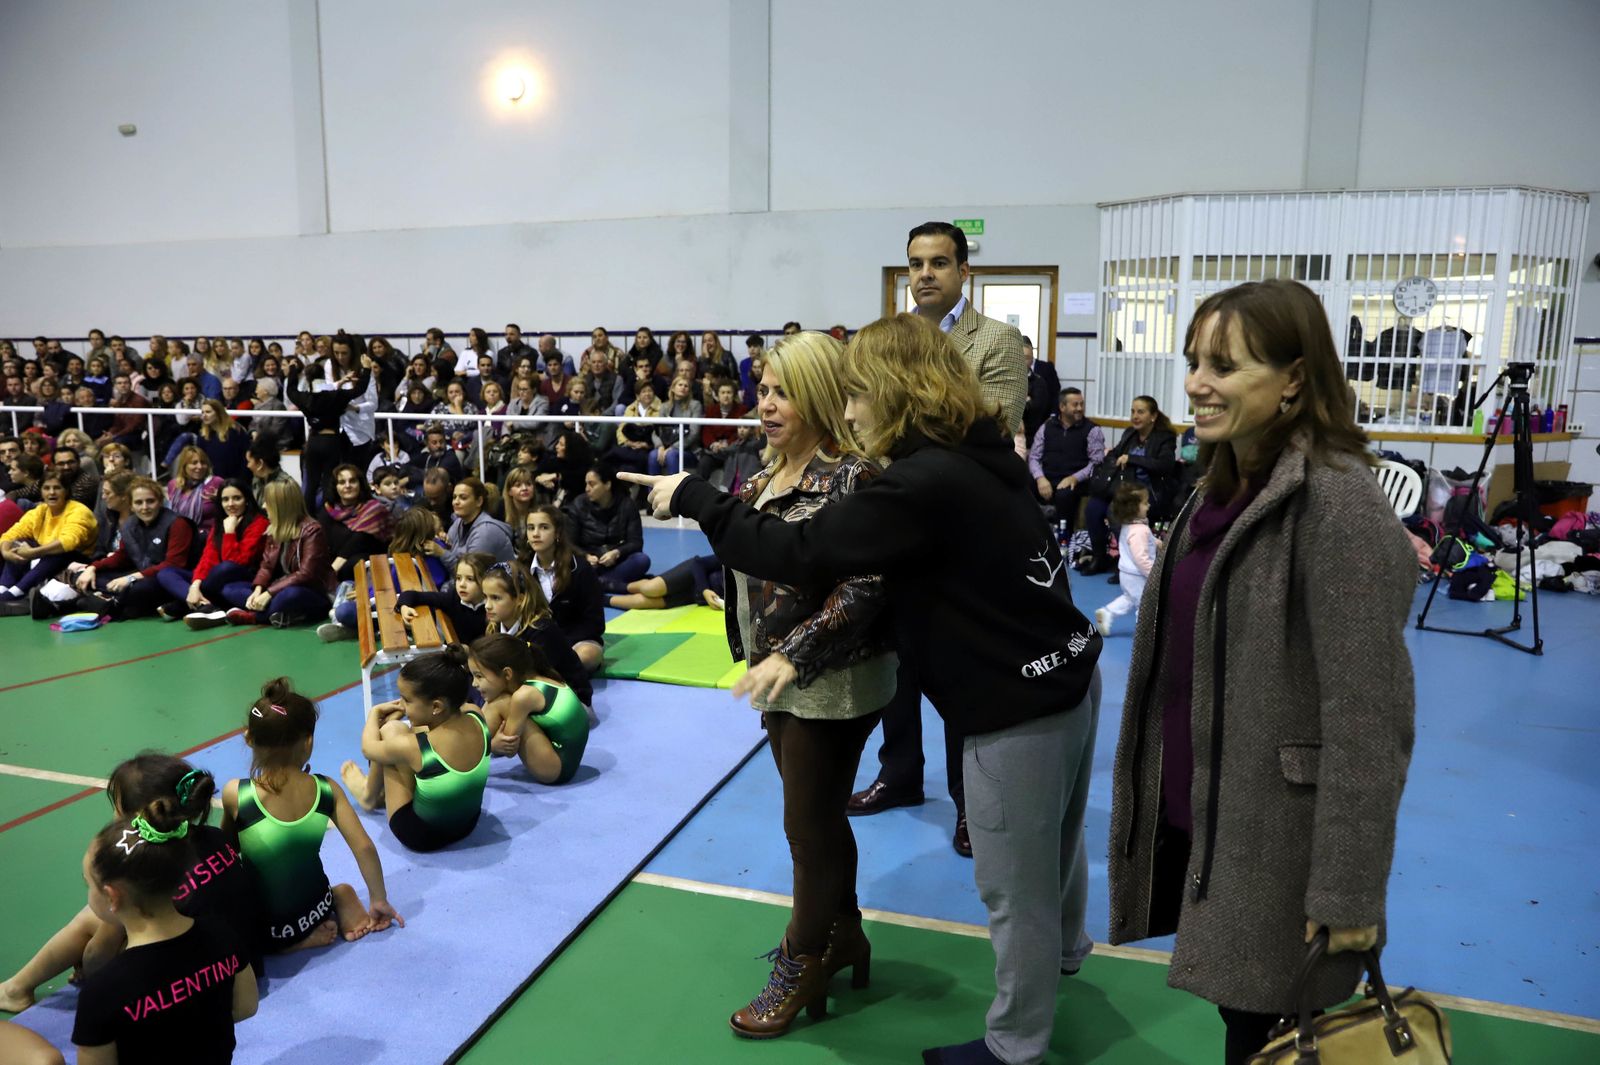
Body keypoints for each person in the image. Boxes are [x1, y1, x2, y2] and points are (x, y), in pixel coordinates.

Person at [626, 312, 1102, 1065]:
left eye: (856, 395)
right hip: (1069, 667)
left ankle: (1015, 1045)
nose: (850, 411)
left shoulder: (918, 480)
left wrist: (696, 497)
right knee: (1058, 845)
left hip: (1018, 702)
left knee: (1014, 888)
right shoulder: (972, 452)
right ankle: (1065, 954)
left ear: (893, 392)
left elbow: (804, 552)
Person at [1106, 279, 1417, 1065]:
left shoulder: (1339, 503)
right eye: (1193, 361)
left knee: (1269, 1038)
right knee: (1244, 1030)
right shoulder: (1221, 485)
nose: (1196, 384)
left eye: (1224, 365)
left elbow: (1369, 720)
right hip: (1215, 815)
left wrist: (1348, 893)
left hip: (1281, 846)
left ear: (1294, 379)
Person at [708, 331, 900, 1039]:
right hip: (777, 674)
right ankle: (842, 934)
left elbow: (868, 584)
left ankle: (801, 956)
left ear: (820, 395)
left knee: (806, 825)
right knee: (817, 820)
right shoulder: (762, 476)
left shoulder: (852, 476)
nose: (766, 403)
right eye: (762, 388)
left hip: (834, 676)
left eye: (783, 390)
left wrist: (794, 651)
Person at [848, 222, 1028, 858]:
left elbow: (992, 425)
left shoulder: (1000, 342)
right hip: (895, 520)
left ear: (962, 272)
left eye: (939, 263)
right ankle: (899, 775)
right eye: (916, 264)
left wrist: (901, 445)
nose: (926, 274)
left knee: (953, 668)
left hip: (958, 529)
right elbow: (863, 428)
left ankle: (968, 804)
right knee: (895, 661)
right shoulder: (885, 343)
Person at [221, 678, 400, 951]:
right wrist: (378, 899)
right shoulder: (326, 789)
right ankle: (338, 897)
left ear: (249, 739)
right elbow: (364, 846)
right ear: (308, 743)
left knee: (237, 942)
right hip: (318, 905)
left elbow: (225, 855)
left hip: (271, 929)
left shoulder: (237, 795)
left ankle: (297, 943)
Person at [70, 806, 258, 1062]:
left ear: (113, 895)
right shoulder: (221, 935)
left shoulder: (104, 991)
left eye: (88, 884)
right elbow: (246, 1007)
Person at [340, 647, 493, 852]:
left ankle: (368, 796)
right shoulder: (475, 714)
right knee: (412, 739)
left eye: (407, 700)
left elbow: (368, 749)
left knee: (391, 730)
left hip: (421, 836)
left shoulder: (412, 747)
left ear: (436, 706)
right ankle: (376, 792)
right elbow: (431, 728)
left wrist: (373, 716)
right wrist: (409, 716)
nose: (402, 706)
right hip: (467, 824)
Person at [201, 481, 332, 628]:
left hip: (309, 591)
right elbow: (266, 567)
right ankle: (279, 614)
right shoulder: (273, 528)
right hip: (277, 588)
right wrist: (258, 590)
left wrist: (268, 593)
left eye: (267, 502)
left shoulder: (312, 530)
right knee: (229, 589)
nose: (263, 506)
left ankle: (254, 616)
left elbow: (305, 574)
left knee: (289, 595)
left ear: (281, 505)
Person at [466, 633, 590, 785]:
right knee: (496, 700)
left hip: (555, 769)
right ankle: (466, 749)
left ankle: (461, 759)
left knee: (499, 702)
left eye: (479, 676)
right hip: (568, 760)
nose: (474, 684)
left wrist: (492, 745)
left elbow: (509, 748)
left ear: (507, 673)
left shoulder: (523, 696)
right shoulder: (540, 677)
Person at [1080, 394, 1178, 575]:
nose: (1135, 416)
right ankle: (1100, 558)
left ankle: (1127, 563)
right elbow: (1115, 454)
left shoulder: (1165, 437)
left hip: (1148, 492)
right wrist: (1111, 458)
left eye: (1140, 412)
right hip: (1122, 487)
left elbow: (1165, 465)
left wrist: (1132, 459)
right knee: (1093, 507)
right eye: (1133, 411)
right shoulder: (1129, 434)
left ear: (1153, 416)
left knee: (1114, 510)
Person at [75, 475, 197, 620]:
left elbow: (173, 563)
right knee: (86, 577)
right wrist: (92, 568)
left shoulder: (177, 523)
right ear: (131, 505)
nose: (144, 507)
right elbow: (122, 556)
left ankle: (109, 604)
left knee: (137, 589)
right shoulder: (130, 525)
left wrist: (130, 578)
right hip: (141, 574)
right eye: (139, 502)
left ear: (160, 502)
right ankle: (113, 604)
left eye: (150, 501)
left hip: (169, 578)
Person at [319, 506, 447, 642]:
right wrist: (365, 591)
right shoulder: (405, 552)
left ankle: (349, 626)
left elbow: (391, 592)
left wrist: (366, 595)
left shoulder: (424, 557)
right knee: (346, 585)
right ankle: (352, 627)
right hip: (385, 597)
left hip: (396, 606)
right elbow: (386, 583)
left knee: (344, 612)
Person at [480, 559, 593, 710]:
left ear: (520, 599)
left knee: (500, 704)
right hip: (532, 697)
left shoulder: (542, 631)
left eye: (496, 598)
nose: (487, 605)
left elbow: (535, 683)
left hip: (572, 704)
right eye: (485, 597)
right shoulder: (494, 628)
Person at [158, 479, 269, 621]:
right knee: (166, 573)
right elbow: (208, 557)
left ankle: (185, 605)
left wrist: (230, 533)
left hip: (244, 576)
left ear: (247, 500)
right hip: (215, 580)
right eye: (225, 499)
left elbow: (238, 562)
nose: (230, 504)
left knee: (225, 568)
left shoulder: (259, 522)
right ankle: (205, 606)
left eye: (237, 498)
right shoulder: (219, 523)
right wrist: (195, 585)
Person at [0, 472, 97, 612]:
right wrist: (5, 551)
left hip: (77, 560)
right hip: (44, 559)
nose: (52, 493)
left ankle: (15, 593)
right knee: (17, 542)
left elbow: (68, 542)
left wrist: (32, 553)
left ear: (66, 491)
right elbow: (13, 533)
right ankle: (3, 587)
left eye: (57, 488)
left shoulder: (78, 511)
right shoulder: (40, 511)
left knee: (59, 552)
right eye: (46, 488)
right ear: (41, 491)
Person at [525, 503, 605, 672]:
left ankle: (552, 673)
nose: (535, 534)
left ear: (558, 533)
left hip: (575, 641)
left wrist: (560, 645)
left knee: (588, 655)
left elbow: (595, 623)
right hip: (535, 642)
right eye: (530, 528)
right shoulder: (521, 570)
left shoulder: (580, 569)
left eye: (544, 527)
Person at [285, 358, 370, 514]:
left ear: (307, 377)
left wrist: (292, 370)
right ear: (324, 375)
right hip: (331, 441)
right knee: (328, 482)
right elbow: (360, 389)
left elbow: (290, 390)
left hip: (313, 441)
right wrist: (366, 370)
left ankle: (309, 517)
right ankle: (327, 516)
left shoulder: (305, 398)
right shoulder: (335, 396)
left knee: (310, 483)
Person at [564, 461, 650, 594]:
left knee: (641, 560)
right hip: (589, 562)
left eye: (592, 484)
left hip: (615, 560)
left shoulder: (627, 505)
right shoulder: (578, 505)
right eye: (586, 484)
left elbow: (636, 542)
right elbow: (570, 543)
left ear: (607, 485)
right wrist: (586, 556)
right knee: (569, 566)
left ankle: (598, 584)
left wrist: (617, 553)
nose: (587, 488)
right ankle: (611, 584)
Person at [1028, 388, 1105, 527]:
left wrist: (1074, 478)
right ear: (1062, 407)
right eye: (1075, 405)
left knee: (1064, 495)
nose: (1080, 408)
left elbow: (1096, 463)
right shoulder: (1047, 426)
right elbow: (1034, 457)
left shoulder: (1093, 430)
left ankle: (1063, 538)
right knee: (1025, 484)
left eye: (1082, 404)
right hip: (1047, 477)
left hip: (1077, 480)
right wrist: (1040, 478)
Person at [1093, 482, 1154, 637]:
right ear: (1134, 508)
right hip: (1138, 575)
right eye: (1145, 503)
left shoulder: (1129, 526)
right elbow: (1140, 557)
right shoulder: (1140, 531)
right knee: (1144, 604)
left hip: (1126, 573)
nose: (1149, 506)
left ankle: (1106, 613)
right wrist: (1153, 574)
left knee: (1129, 598)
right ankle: (1145, 634)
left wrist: (1156, 542)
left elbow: (1138, 544)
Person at [395, 551, 492, 644]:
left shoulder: (493, 609)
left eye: (470, 579)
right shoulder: (453, 598)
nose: (462, 584)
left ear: (486, 581)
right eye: (458, 578)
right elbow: (412, 595)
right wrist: (404, 607)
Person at [320, 464, 393, 583]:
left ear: (360, 484)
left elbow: (360, 538)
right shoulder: (328, 511)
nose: (347, 486)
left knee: (357, 560)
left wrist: (332, 571)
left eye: (352, 481)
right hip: (333, 570)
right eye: (342, 482)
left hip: (371, 571)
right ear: (336, 487)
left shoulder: (373, 509)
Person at [429, 475, 515, 568]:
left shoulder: (486, 531)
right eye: (454, 497)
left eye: (463, 497)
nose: (456, 502)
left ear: (479, 501)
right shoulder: (458, 523)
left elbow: (470, 571)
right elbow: (451, 553)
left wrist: (441, 553)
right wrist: (442, 541)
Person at [607, 555, 724, 612]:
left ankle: (602, 600)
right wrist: (705, 589)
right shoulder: (736, 556)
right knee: (651, 589)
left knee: (649, 602)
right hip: (694, 575)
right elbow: (698, 563)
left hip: (698, 597)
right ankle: (612, 585)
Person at [650, 375, 703, 475]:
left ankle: (675, 490)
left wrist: (673, 448)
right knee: (653, 455)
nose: (683, 387)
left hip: (689, 451)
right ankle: (652, 490)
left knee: (671, 454)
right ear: (673, 388)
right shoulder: (665, 406)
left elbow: (693, 433)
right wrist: (660, 446)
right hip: (666, 448)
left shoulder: (695, 405)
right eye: (680, 385)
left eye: (686, 386)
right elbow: (656, 431)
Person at [244, 436, 295, 509]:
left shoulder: (285, 486)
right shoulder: (257, 480)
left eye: (249, 462)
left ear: (260, 463)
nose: (248, 466)